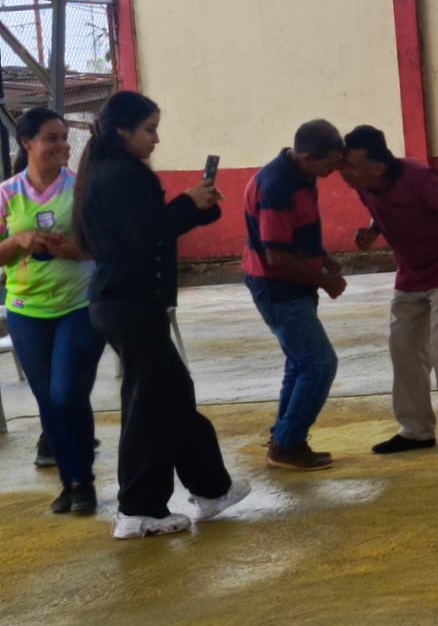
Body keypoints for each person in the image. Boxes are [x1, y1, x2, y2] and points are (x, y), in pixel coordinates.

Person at [76, 91, 250, 539]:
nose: (155, 139)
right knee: (150, 406)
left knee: (171, 399)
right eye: (149, 129)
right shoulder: (120, 173)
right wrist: (189, 204)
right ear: (123, 130)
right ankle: (138, 509)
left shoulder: (110, 171)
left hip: (128, 302)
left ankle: (211, 490)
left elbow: (151, 227)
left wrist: (197, 207)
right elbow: (146, 233)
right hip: (129, 303)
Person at [340, 125, 438, 454]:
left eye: (351, 166)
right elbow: (384, 210)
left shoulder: (418, 179)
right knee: (403, 348)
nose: (343, 171)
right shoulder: (363, 184)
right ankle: (415, 430)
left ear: (377, 168)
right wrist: (373, 232)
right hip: (411, 273)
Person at [1, 108, 105, 515]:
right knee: (47, 399)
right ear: (27, 143)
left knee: (66, 393)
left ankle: (85, 481)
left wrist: (77, 250)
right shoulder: (7, 194)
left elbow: (103, 244)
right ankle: (70, 482)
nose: (63, 145)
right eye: (52, 138)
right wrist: (19, 241)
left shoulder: (81, 189)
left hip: (79, 306)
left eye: (64, 137)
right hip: (26, 311)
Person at [243, 119, 347, 471]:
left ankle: (285, 437)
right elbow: (276, 255)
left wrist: (321, 255)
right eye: (328, 164)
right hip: (278, 286)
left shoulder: (302, 176)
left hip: (291, 284)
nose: (332, 171)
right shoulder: (278, 187)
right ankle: (287, 445)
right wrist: (323, 280)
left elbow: (294, 233)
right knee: (319, 365)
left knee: (300, 364)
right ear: (305, 157)